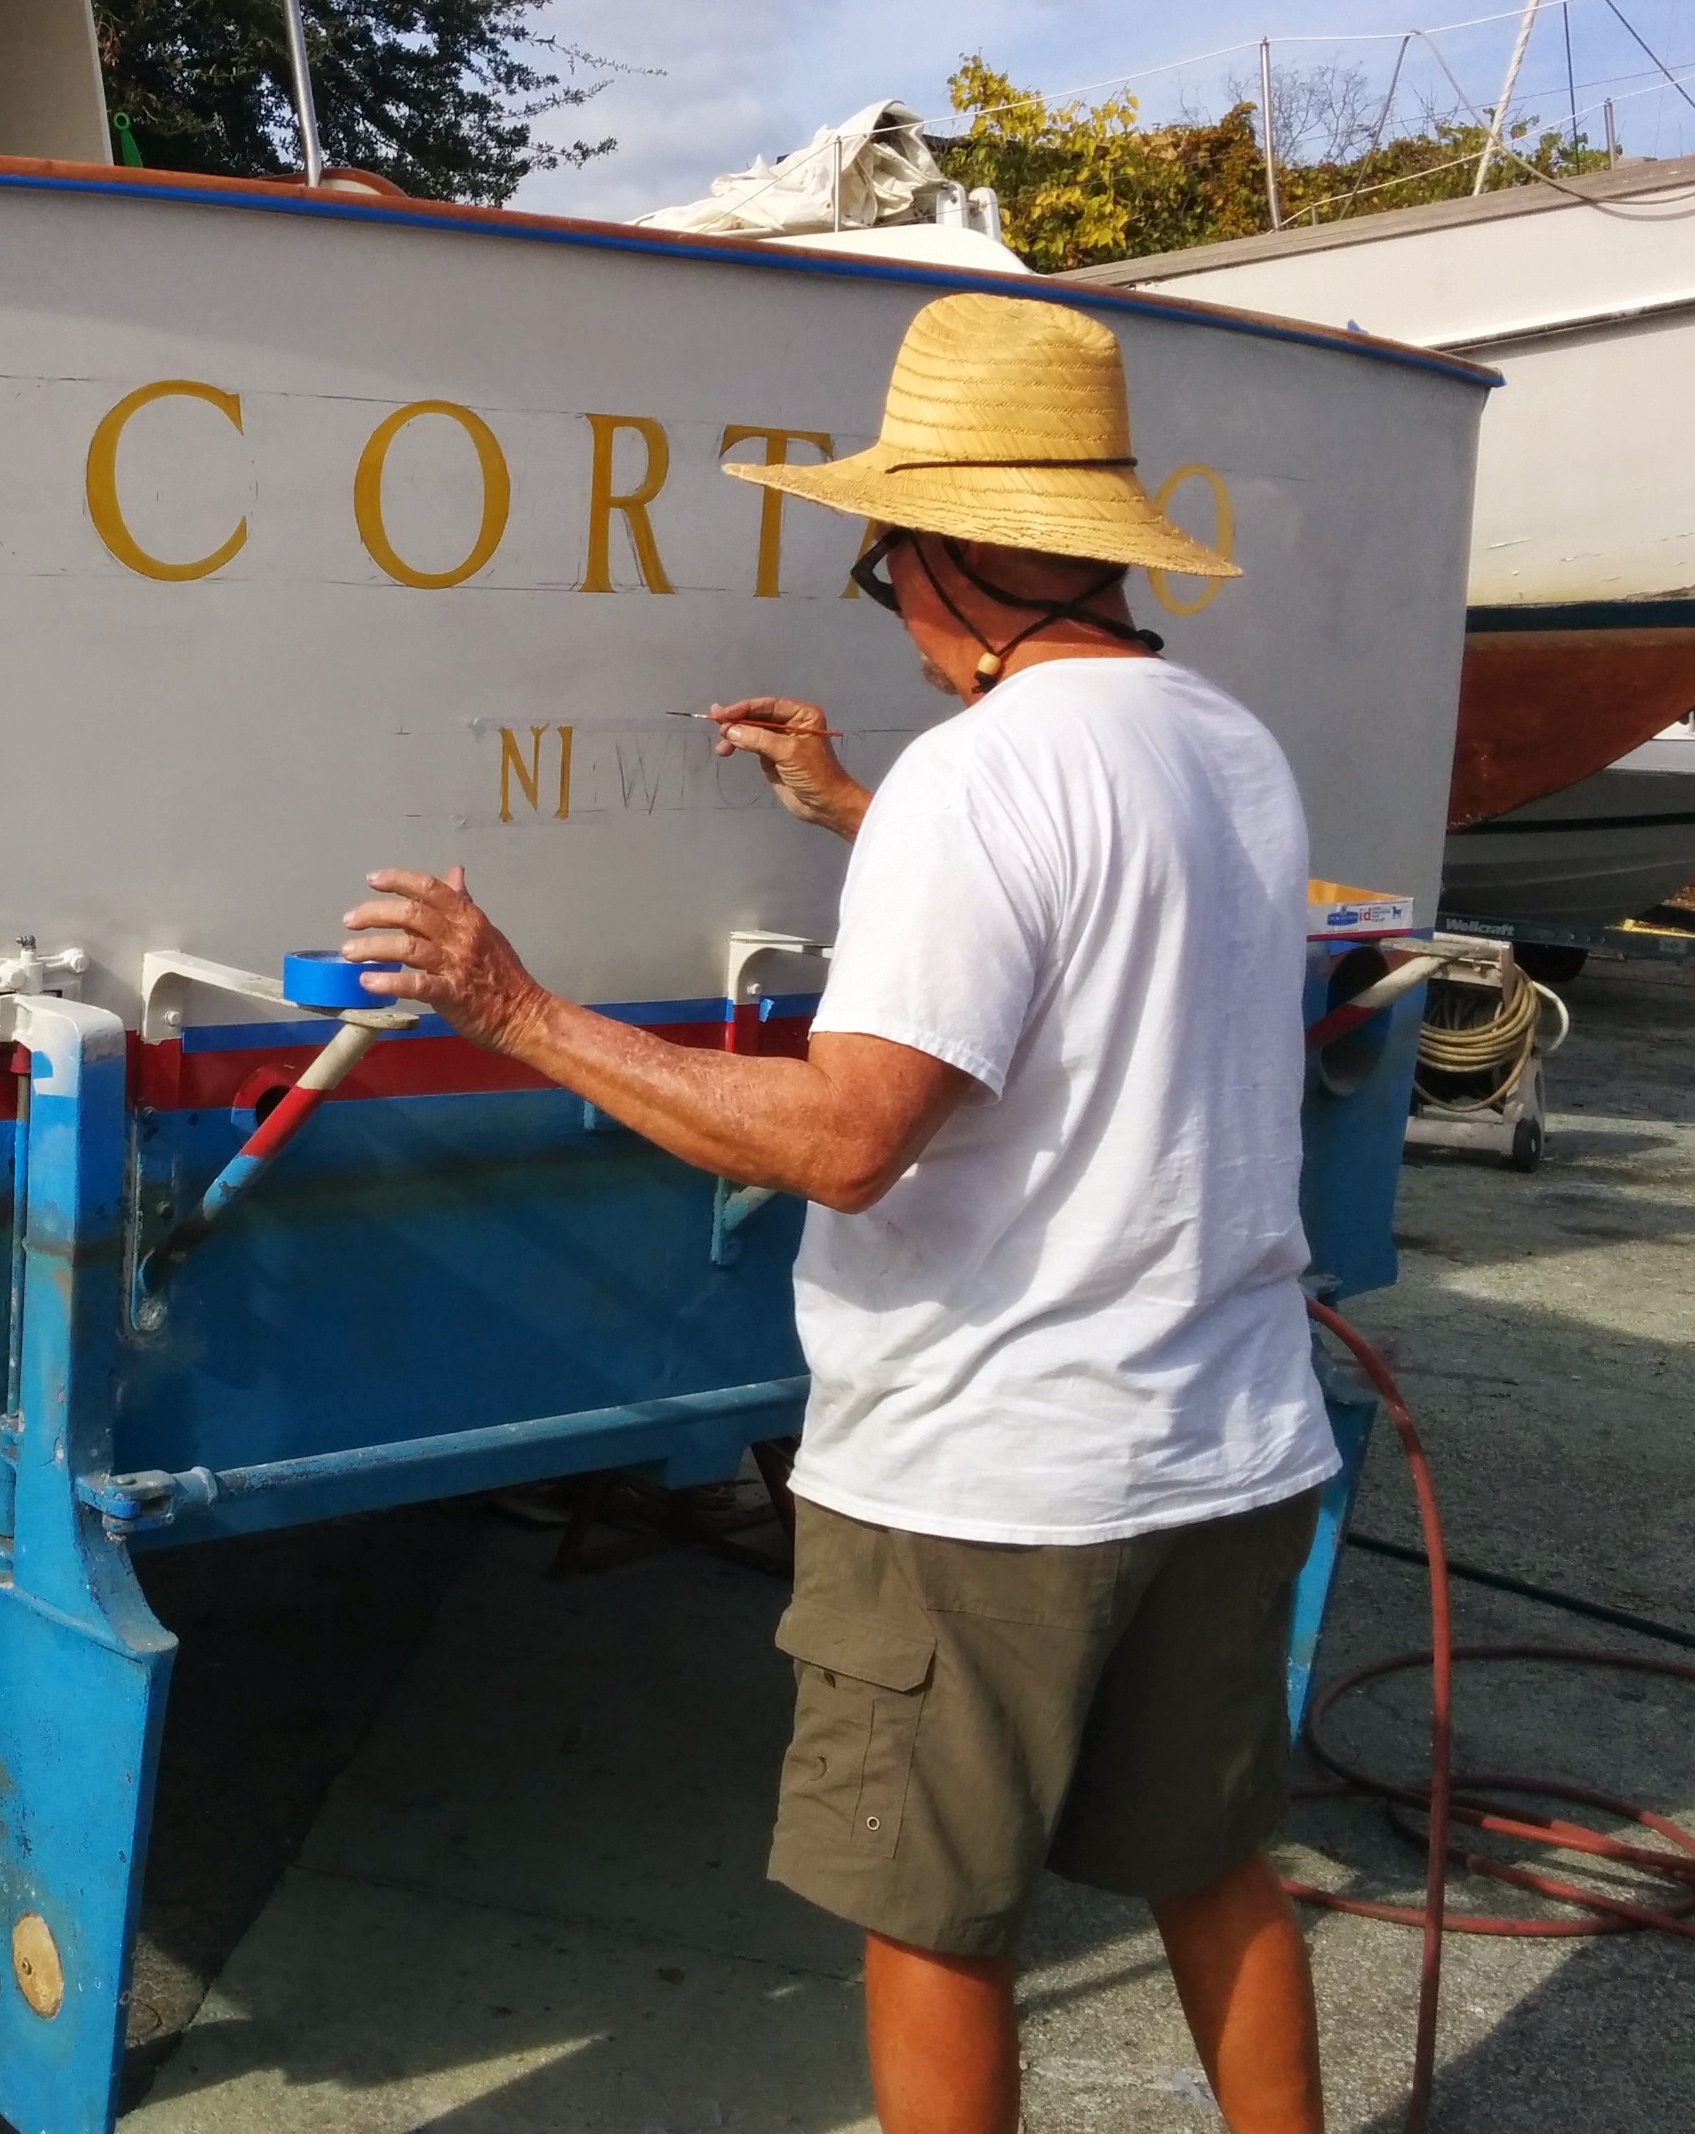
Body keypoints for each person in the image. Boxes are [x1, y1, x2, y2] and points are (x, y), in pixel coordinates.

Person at [339, 292, 1336, 2134]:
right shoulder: (1227, 744)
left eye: (883, 567)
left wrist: (517, 1008)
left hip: (993, 1473)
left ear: (949, 549)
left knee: (932, 1920)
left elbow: (848, 1141)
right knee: (1211, 1868)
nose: (893, 608)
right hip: (1227, 1439)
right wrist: (855, 808)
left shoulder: (982, 775)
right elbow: (1092, 927)